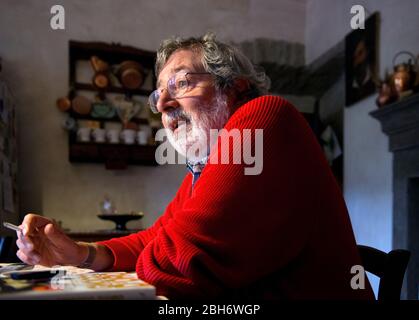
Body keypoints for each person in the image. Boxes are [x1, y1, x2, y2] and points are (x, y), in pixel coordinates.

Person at [16, 32, 374, 300]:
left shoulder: (266, 115)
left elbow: (180, 258)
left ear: (234, 88)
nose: (162, 106)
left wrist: (149, 253)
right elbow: (159, 238)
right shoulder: (203, 169)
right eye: (158, 94)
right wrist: (82, 254)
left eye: (182, 83)